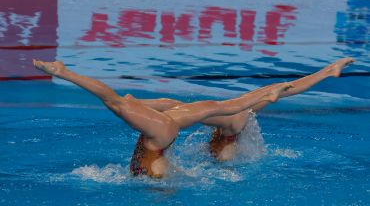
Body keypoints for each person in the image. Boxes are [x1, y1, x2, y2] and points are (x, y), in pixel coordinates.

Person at [32, 57, 354, 178]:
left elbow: (166, 171)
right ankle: (324, 72)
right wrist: (325, 71)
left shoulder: (154, 168)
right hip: (175, 132)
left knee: (225, 108)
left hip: (167, 135)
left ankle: (65, 72)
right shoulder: (156, 162)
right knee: (230, 106)